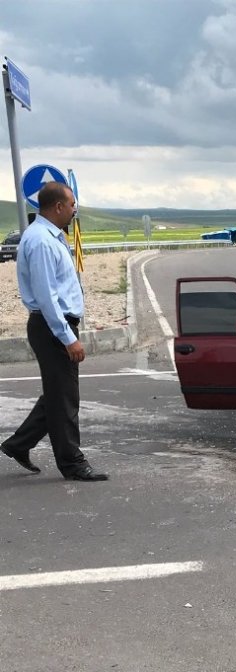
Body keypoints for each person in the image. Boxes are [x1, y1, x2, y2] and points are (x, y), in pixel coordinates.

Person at [1, 182, 108, 480]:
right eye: (72, 204)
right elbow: (47, 296)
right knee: (64, 399)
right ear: (58, 206)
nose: (75, 210)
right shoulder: (42, 242)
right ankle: (72, 464)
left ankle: (18, 444)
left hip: (54, 323)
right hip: (52, 326)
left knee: (58, 394)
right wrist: (67, 337)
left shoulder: (50, 236)